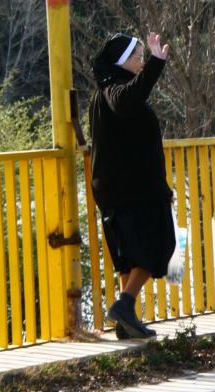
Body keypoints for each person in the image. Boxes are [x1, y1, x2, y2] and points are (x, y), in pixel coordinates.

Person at [90, 32, 175, 339]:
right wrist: (157, 63)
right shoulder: (115, 90)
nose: (141, 63)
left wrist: (151, 63)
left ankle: (125, 322)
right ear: (122, 61)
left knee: (130, 254)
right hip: (134, 189)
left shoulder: (107, 91)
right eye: (138, 57)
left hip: (120, 188)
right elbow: (130, 100)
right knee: (155, 248)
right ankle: (125, 304)